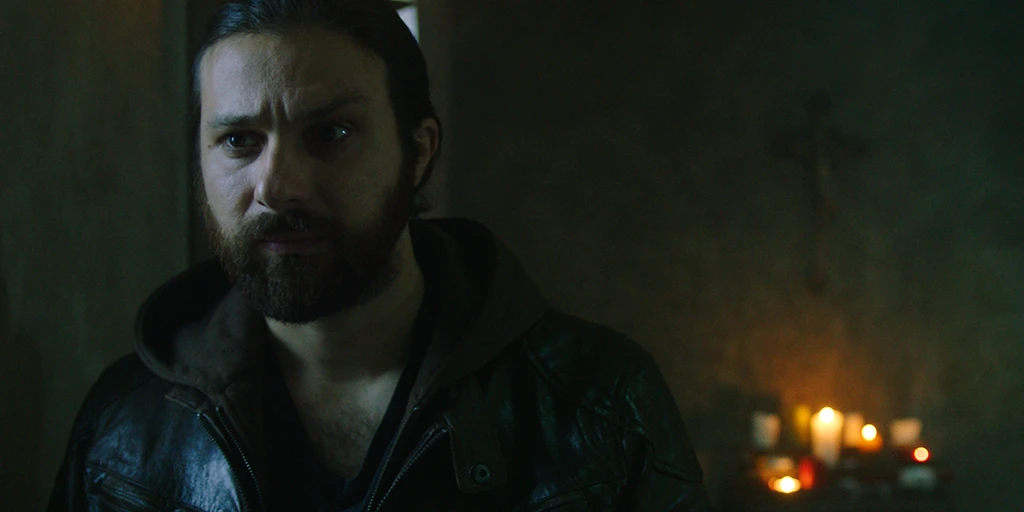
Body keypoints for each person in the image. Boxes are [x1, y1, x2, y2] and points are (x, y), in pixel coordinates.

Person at [47, 1, 716, 510]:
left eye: (331, 133)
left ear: (419, 151)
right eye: (239, 140)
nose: (278, 187)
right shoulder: (123, 425)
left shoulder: (601, 403)